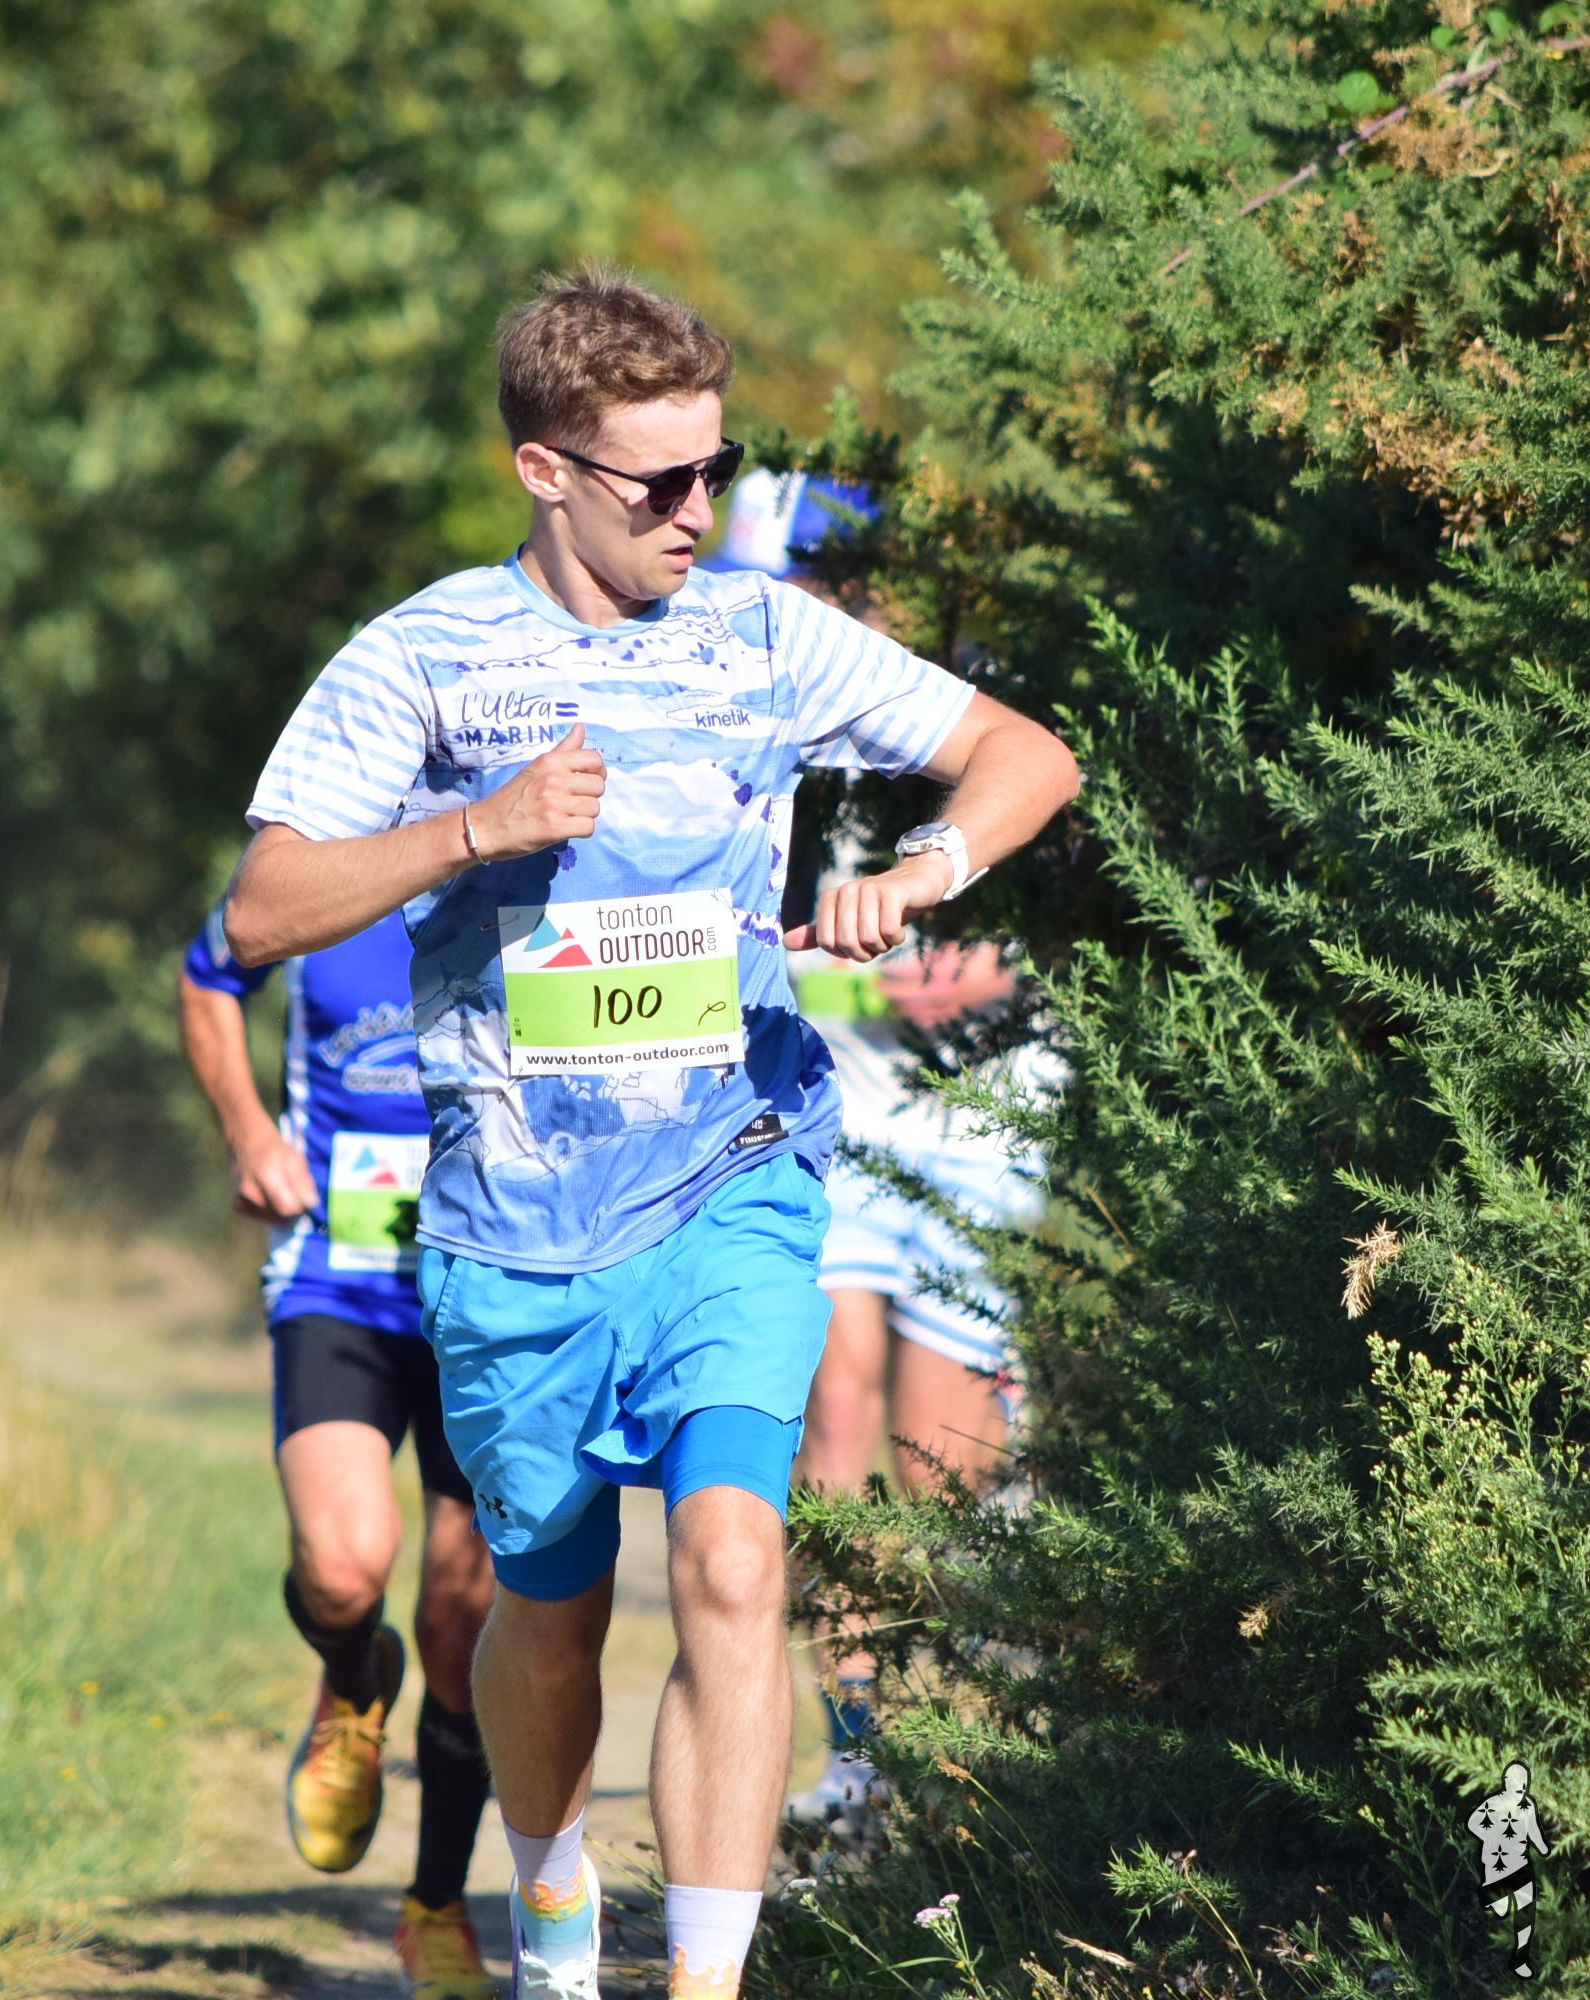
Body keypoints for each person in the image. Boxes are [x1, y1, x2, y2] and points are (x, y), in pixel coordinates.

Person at [220, 267, 1080, 2000]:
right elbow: (262, 911)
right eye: (660, 481)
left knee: (736, 1560)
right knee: (542, 1614)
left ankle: (701, 1981)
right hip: (514, 1227)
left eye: (716, 468)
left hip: (734, 1176)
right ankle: (550, 1915)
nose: (699, 509)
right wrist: (473, 830)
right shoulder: (424, 655)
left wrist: (924, 870)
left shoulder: (763, 636)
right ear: (545, 471)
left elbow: (1022, 754)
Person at [703, 470, 1055, 1838]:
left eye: (797, 587)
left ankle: (945, 1759)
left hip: (978, 1127)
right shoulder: (754, 721)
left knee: (936, 1460)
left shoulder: (978, 706)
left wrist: (968, 964)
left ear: (866, 587)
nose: (773, 616)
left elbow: (1068, 922)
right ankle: (854, 1753)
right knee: (833, 1414)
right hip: (832, 1115)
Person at [174, 904, 499, 2000]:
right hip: (338, 1276)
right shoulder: (319, 860)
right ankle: (355, 1683)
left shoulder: (533, 860)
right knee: (343, 1567)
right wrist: (248, 1133)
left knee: (462, 1614)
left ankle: (436, 1907)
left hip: (497, 1287)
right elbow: (206, 976)